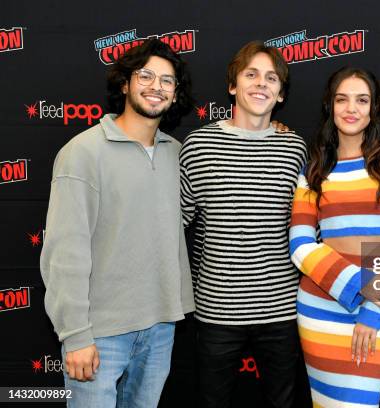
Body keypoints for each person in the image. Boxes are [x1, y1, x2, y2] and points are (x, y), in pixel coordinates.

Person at [40, 39, 195, 407]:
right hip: (100, 333)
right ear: (125, 83)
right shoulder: (83, 152)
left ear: (175, 94)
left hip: (161, 326)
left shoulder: (175, 152)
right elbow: (65, 251)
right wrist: (76, 334)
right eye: (146, 75)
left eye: (167, 81)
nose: (156, 86)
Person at [179, 41, 307, 408]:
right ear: (232, 86)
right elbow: (176, 222)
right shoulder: (198, 144)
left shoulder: (295, 147)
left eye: (271, 78)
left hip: (281, 308)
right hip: (216, 309)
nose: (261, 84)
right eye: (251, 74)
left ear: (280, 94)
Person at [289, 66, 380, 407]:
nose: (351, 108)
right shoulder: (315, 167)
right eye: (342, 99)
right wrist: (356, 285)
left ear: (374, 106)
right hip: (318, 304)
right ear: (329, 106)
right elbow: (300, 244)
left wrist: (370, 308)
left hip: (377, 307)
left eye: (361, 100)